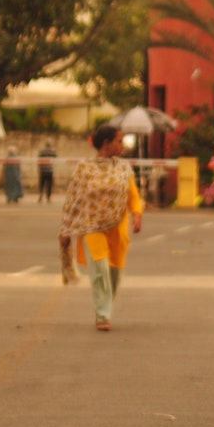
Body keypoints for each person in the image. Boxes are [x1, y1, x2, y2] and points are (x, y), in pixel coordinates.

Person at [59, 125, 143, 331]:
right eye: (119, 141)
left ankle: (105, 306)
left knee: (114, 272)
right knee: (100, 268)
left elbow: (133, 194)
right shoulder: (85, 169)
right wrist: (66, 230)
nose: (122, 145)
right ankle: (103, 314)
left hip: (118, 228)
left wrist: (137, 214)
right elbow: (73, 200)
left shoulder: (124, 169)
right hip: (91, 226)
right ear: (106, 143)